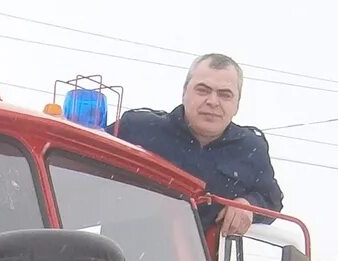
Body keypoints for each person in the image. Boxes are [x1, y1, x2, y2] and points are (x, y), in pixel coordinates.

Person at [113, 53, 284, 235]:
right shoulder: (138, 128)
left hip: (198, 254)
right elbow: (90, 151)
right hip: (116, 251)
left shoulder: (250, 149)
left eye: (225, 95)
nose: (212, 102)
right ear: (184, 93)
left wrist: (247, 205)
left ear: (237, 105)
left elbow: (271, 199)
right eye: (203, 90)